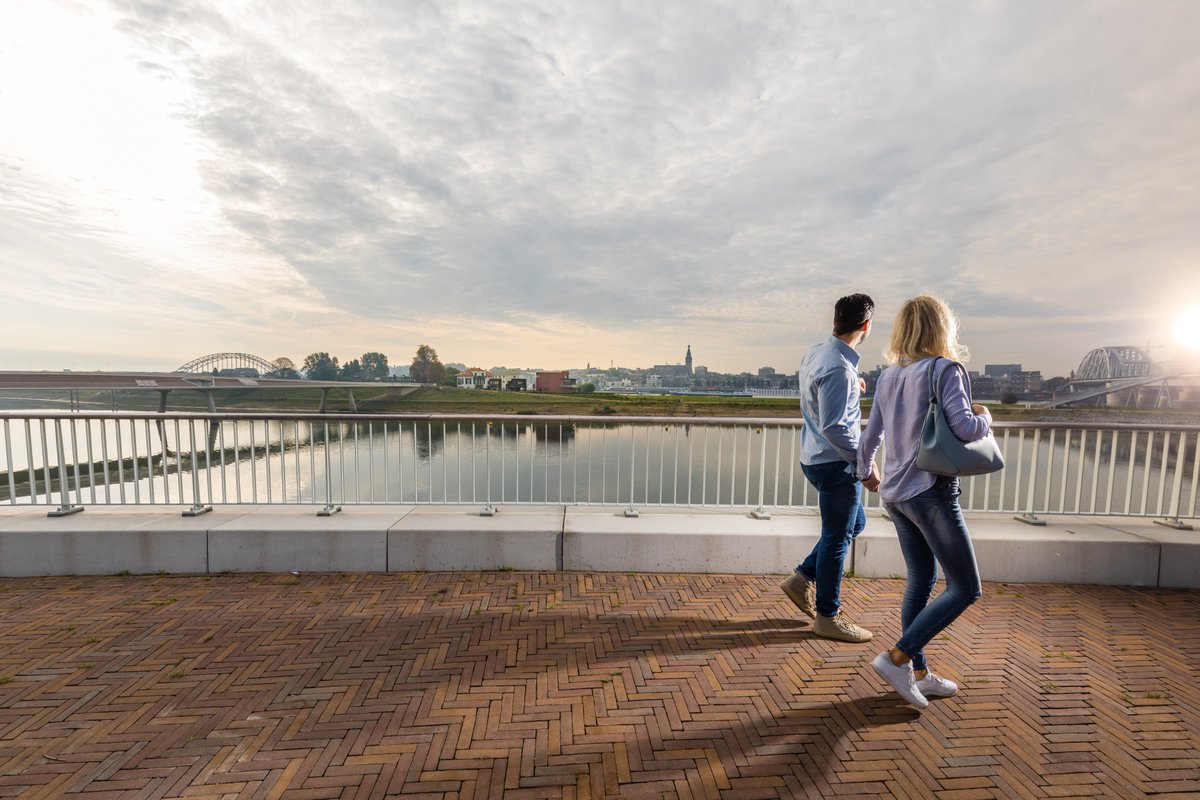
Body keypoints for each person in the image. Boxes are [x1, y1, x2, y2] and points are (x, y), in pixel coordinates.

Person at [857, 295, 989, 708]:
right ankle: (897, 659)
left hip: (895, 494)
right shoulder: (946, 369)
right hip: (931, 491)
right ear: (941, 327)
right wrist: (987, 417)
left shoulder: (890, 375)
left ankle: (918, 674)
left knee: (921, 582)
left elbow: (870, 435)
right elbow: (967, 429)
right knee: (966, 588)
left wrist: (867, 472)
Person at [780, 293, 880, 643]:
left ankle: (803, 577)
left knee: (855, 523)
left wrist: (854, 384)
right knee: (838, 539)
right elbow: (836, 426)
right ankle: (828, 616)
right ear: (866, 325)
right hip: (836, 463)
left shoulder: (818, 354)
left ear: (836, 319)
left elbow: (821, 392)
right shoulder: (839, 368)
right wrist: (865, 466)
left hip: (814, 458)